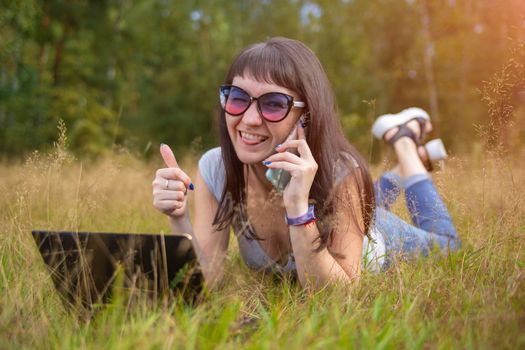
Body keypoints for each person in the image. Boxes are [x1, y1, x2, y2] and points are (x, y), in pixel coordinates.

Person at [152, 37, 460, 290]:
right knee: (364, 202)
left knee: (449, 247)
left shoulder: (341, 172)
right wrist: (179, 219)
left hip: (380, 236)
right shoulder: (216, 169)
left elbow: (336, 299)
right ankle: (414, 160)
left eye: (273, 104)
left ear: (306, 115)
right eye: (237, 97)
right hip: (347, 207)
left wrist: (298, 209)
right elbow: (211, 278)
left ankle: (404, 141)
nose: (248, 119)